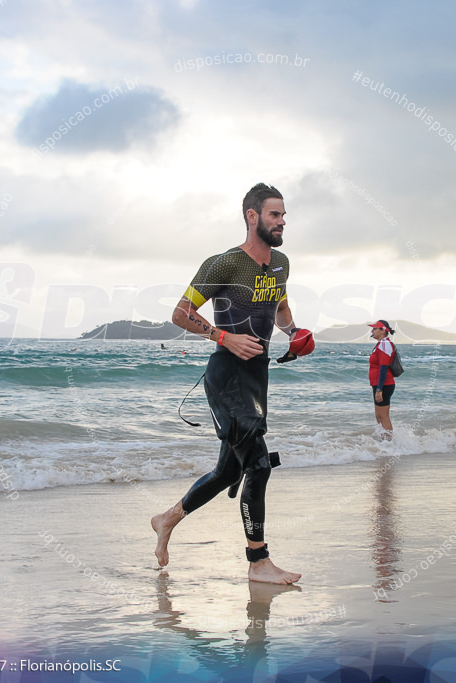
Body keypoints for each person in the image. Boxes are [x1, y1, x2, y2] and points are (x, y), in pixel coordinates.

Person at [150, 183, 302, 585]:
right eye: (274, 214)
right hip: (226, 376)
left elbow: (281, 307)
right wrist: (224, 337)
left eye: (284, 215)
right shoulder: (224, 264)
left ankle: (167, 520)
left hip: (258, 378)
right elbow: (180, 313)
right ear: (252, 217)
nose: (282, 221)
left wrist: (295, 332)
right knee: (258, 465)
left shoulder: (282, 263)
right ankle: (258, 562)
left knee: (226, 473)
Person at [368, 320, 396, 440]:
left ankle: (389, 443)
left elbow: (384, 368)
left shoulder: (385, 344)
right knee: (378, 416)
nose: (372, 331)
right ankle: (383, 442)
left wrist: (379, 389)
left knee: (384, 416)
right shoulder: (381, 344)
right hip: (378, 385)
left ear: (383, 330)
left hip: (384, 385)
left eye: (375, 329)